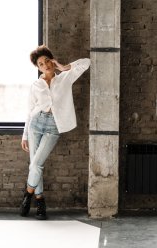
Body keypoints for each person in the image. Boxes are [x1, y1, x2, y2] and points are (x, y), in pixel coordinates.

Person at [20, 45, 90, 219]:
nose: (45, 65)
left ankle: (27, 195)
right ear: (38, 67)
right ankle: (40, 201)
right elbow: (30, 111)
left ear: (52, 60)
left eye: (47, 61)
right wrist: (25, 135)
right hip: (35, 124)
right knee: (35, 165)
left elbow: (86, 63)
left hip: (53, 126)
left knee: (36, 164)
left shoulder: (65, 78)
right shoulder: (36, 85)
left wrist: (63, 67)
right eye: (41, 64)